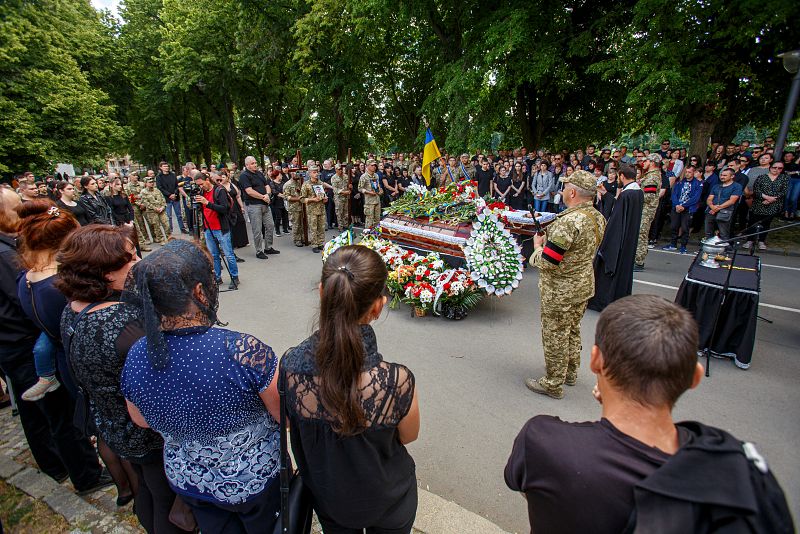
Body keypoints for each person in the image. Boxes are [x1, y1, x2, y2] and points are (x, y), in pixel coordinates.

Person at [505, 295, 793, 534]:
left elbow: (525, 486)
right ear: (695, 377)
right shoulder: (741, 471)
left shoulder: (542, 442)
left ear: (595, 360)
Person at [122, 240, 282, 533]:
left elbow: (140, 419)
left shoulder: (137, 353)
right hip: (252, 478)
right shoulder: (241, 350)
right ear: (198, 292)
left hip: (190, 480)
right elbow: (282, 413)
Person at [57, 225, 189, 529]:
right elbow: (166, 373)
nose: (139, 262)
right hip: (146, 431)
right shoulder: (122, 324)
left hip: (113, 422)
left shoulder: (75, 308)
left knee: (147, 491)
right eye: (129, 259)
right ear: (103, 273)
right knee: (167, 502)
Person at [282, 245, 420, 533]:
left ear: (322, 292)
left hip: (331, 501)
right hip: (390, 499)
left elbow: (292, 427)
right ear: (378, 306)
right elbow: (408, 436)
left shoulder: (291, 368)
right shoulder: (397, 380)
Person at [0, 191, 111, 496]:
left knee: (68, 418)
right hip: (66, 355)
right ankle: (96, 473)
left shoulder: (29, 277)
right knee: (89, 420)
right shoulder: (54, 284)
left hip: (53, 348)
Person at [527, 171, 606, 398]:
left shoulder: (569, 222)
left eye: (565, 187)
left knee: (555, 334)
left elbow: (549, 262)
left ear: (572, 192)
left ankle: (552, 383)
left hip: (561, 290)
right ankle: (569, 372)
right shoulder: (596, 216)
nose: (562, 191)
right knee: (572, 330)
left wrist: (537, 247)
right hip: (582, 285)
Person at [588, 165, 643, 312]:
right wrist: (606, 194)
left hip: (618, 240)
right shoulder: (637, 192)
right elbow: (619, 207)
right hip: (628, 239)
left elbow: (617, 219)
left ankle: (603, 301)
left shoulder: (626, 194)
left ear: (622, 176)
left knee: (606, 265)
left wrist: (606, 242)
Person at [193, 172, 239, 290]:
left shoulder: (219, 191)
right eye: (198, 185)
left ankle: (234, 277)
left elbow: (224, 209)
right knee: (214, 255)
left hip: (221, 228)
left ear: (207, 179)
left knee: (228, 254)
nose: (200, 187)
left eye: (202, 184)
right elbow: (201, 209)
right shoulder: (202, 192)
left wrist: (207, 203)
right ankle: (217, 277)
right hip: (208, 228)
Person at [239, 156, 279, 259]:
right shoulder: (244, 176)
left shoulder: (259, 173)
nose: (255, 165)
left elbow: (267, 186)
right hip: (254, 206)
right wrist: (262, 197)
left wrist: (267, 195)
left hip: (265, 204)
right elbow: (249, 191)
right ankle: (259, 251)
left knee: (270, 226)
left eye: (255, 162)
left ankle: (268, 247)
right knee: (257, 230)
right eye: (252, 163)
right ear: (247, 165)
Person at [744, 161, 788, 251]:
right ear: (770, 167)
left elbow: (784, 191)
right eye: (774, 167)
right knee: (752, 221)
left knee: (766, 224)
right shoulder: (762, 177)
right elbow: (756, 189)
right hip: (759, 202)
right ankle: (750, 240)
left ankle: (761, 241)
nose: (776, 170)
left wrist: (772, 199)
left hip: (773, 204)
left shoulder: (784, 178)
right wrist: (765, 197)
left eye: (780, 168)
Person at [662, 165, 702, 254]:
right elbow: (674, 194)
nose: (687, 174)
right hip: (676, 208)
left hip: (688, 209)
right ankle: (673, 244)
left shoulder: (698, 183)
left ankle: (683, 246)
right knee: (674, 226)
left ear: (694, 173)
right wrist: (676, 205)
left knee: (685, 228)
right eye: (686, 172)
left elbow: (696, 198)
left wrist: (684, 205)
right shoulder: (679, 182)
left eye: (689, 172)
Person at [634, 153, 662, 271]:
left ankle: (638, 261)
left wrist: (635, 195)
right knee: (640, 234)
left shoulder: (652, 177)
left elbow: (649, 197)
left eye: (646, 161)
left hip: (646, 210)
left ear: (652, 162)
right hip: (644, 209)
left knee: (641, 234)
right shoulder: (650, 176)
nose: (643, 163)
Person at [705, 168, 742, 241]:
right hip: (711, 210)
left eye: (725, 175)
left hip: (725, 212)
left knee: (723, 233)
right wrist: (712, 207)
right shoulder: (716, 186)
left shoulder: (737, 186)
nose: (722, 177)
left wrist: (717, 208)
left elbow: (732, 201)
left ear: (732, 176)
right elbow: (709, 199)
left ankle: (725, 250)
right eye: (721, 175)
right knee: (708, 232)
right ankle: (707, 248)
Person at [219, 170, 249, 254]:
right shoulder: (220, 187)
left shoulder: (232, 185)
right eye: (221, 177)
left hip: (236, 206)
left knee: (241, 221)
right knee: (232, 224)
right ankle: (234, 243)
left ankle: (243, 241)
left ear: (227, 177)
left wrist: (242, 206)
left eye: (223, 177)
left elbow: (238, 196)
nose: (222, 178)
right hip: (228, 208)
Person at [155, 162, 188, 234]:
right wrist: (169, 195)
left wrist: (175, 194)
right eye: (164, 166)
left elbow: (177, 185)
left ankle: (182, 228)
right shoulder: (159, 177)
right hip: (166, 198)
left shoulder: (173, 175)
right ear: (161, 167)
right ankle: (170, 231)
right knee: (168, 216)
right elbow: (160, 188)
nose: (166, 168)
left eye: (167, 166)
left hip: (175, 197)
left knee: (179, 214)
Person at [301, 166, 328, 253]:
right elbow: (302, 198)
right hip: (312, 210)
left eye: (317, 172)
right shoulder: (306, 184)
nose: (316, 174)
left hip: (321, 208)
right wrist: (312, 199)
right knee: (313, 228)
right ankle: (314, 244)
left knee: (321, 227)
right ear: (309, 173)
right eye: (314, 172)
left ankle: (320, 243)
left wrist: (325, 198)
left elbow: (323, 194)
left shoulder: (320, 183)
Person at [123, 172, 153, 251]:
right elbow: (130, 197)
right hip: (135, 206)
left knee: (150, 221)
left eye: (136, 175)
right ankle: (144, 239)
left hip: (145, 204)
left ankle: (155, 236)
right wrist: (139, 204)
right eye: (134, 175)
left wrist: (144, 203)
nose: (136, 177)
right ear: (130, 177)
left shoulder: (142, 184)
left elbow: (147, 194)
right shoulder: (127, 186)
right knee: (140, 223)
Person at [140, 177, 170, 245]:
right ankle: (161, 239)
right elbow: (146, 202)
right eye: (150, 182)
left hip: (161, 210)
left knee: (166, 225)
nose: (152, 183)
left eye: (152, 182)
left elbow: (163, 199)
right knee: (156, 227)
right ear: (146, 183)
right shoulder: (143, 192)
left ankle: (169, 237)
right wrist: (154, 208)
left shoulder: (157, 190)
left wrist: (162, 207)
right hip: (152, 212)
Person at [284, 171, 306, 247]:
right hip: (294, 208)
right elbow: (287, 197)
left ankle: (303, 238)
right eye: (295, 173)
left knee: (302, 224)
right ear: (291, 174)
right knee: (296, 224)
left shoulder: (299, 182)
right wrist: (298, 198)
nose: (297, 175)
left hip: (302, 207)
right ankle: (297, 240)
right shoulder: (287, 184)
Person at [359, 160, 383, 229]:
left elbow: (377, 186)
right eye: (372, 165)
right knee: (369, 220)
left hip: (377, 200)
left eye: (375, 165)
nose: (374, 167)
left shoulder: (376, 175)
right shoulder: (364, 176)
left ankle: (376, 236)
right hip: (369, 202)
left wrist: (380, 190)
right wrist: (368, 192)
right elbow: (360, 188)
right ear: (367, 166)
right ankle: (367, 236)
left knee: (377, 219)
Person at [331, 163, 351, 229]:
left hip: (345, 197)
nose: (340, 170)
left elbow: (348, 185)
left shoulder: (345, 176)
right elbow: (335, 189)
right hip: (338, 197)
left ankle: (346, 225)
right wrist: (344, 192)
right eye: (339, 169)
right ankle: (340, 226)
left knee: (346, 212)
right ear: (336, 170)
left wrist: (350, 187)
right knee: (339, 212)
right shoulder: (334, 178)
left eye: (341, 169)